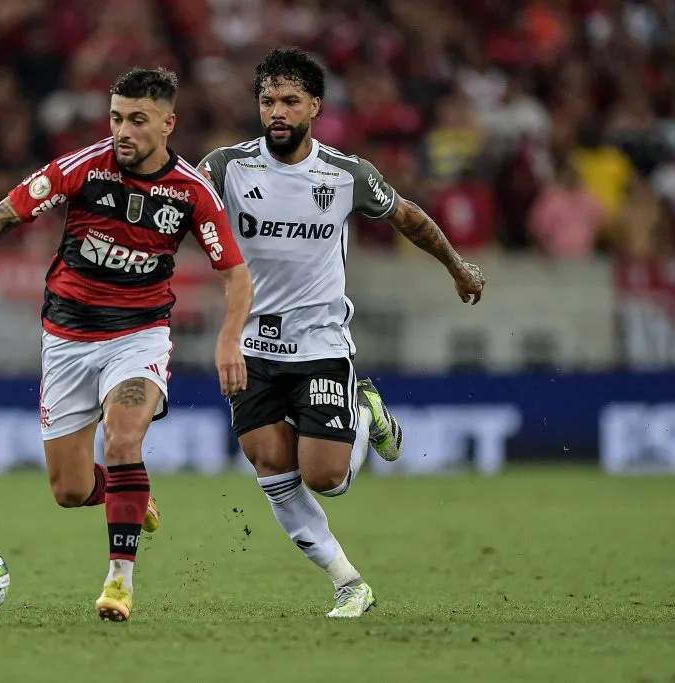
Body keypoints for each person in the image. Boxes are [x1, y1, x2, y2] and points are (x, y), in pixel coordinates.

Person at [0, 67, 253, 622]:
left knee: (122, 440)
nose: (123, 130)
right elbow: (2, 215)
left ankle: (119, 580)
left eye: (138, 120)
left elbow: (236, 276)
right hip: (67, 338)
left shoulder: (191, 191)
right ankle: (130, 499)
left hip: (138, 337)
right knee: (69, 490)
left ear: (168, 124)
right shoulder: (82, 169)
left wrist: (229, 339)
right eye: (116, 117)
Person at [199, 48, 485, 618]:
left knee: (326, 477)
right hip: (252, 346)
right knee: (270, 465)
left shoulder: (346, 173)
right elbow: (178, 201)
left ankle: (364, 407)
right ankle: (347, 581)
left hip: (321, 343)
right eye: (267, 101)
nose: (276, 111)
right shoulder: (227, 167)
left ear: (314, 107)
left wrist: (457, 266)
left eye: (288, 101)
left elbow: (409, 217)